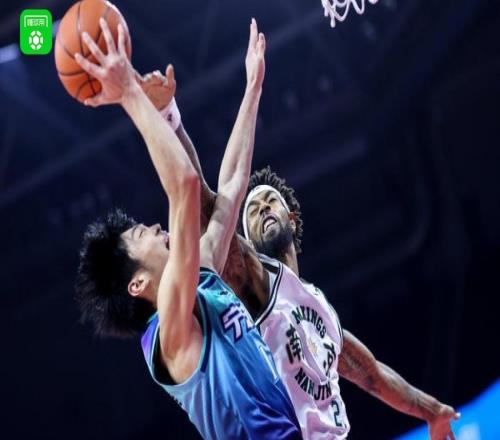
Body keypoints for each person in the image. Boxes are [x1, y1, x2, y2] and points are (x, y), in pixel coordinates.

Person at [140, 67, 460, 440]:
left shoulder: (315, 304)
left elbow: (372, 375)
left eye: (269, 202)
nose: (262, 210)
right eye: (252, 211)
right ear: (243, 240)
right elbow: (207, 205)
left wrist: (432, 411)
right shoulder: (250, 278)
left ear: (291, 218)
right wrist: (169, 118)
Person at [74, 18, 302, 439]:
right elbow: (185, 186)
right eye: (141, 234)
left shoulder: (204, 280)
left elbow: (231, 190)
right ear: (137, 283)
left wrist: (251, 89)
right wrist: (129, 93)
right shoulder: (170, 333)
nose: (154, 226)